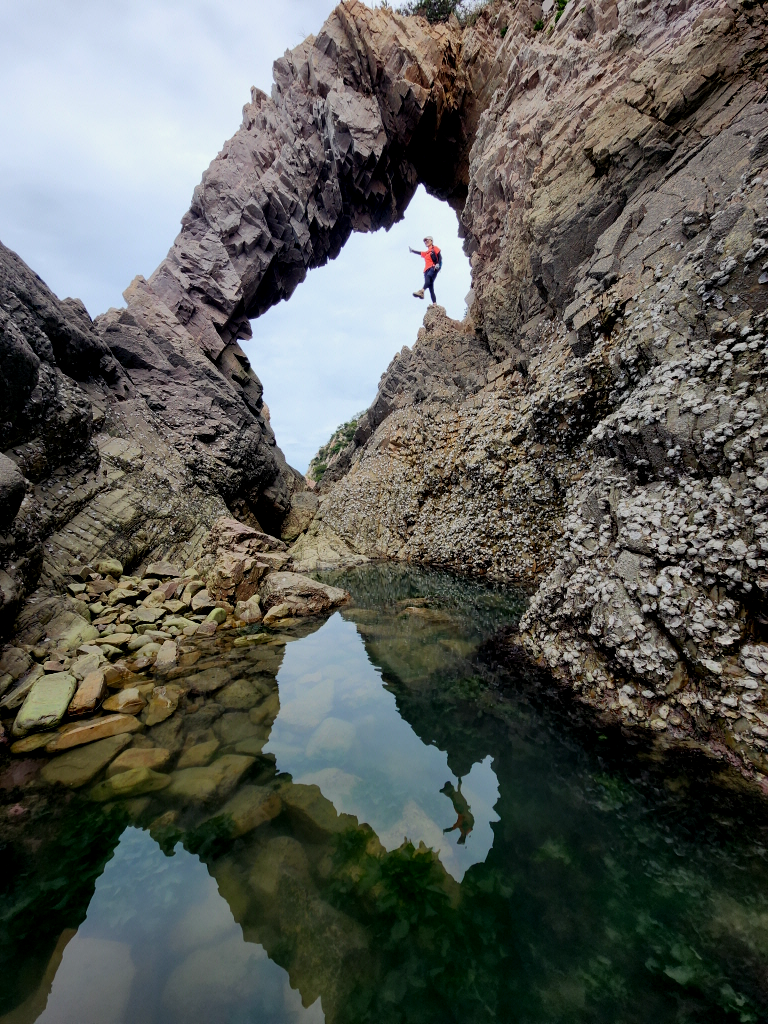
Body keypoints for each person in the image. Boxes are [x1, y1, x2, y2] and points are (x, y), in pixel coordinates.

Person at [440, 778, 475, 845]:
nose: (460, 836)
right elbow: (459, 824)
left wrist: (446, 830)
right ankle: (448, 788)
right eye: (461, 837)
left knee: (453, 797)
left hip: (462, 809)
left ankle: (448, 788)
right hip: (462, 809)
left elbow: (455, 827)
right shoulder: (466, 829)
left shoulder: (464, 829)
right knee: (453, 797)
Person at [409, 236, 442, 303]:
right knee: (430, 287)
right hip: (426, 270)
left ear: (431, 241)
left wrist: (438, 264)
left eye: (427, 240)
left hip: (433, 267)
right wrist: (412, 250)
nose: (426, 242)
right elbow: (420, 253)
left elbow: (440, 257)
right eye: (425, 241)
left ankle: (421, 291)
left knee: (428, 278)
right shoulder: (426, 253)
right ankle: (434, 304)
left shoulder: (434, 248)